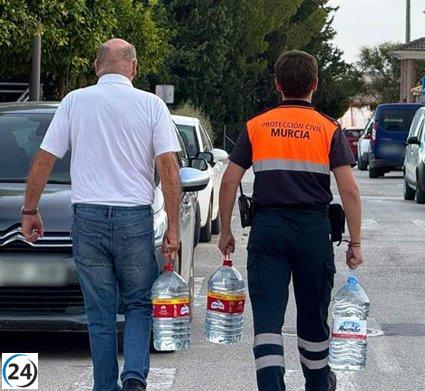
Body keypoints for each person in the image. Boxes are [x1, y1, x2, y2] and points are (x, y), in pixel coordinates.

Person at [21, 38, 183, 391]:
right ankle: (135, 377)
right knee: (139, 303)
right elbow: (168, 166)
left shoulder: (75, 102)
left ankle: (105, 385)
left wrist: (30, 209)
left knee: (100, 312)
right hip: (135, 220)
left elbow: (44, 158)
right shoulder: (152, 105)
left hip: (88, 219)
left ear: (96, 67)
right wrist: (173, 225)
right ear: (134, 68)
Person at [217, 50, 363, 391]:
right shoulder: (329, 129)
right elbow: (350, 191)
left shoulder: (256, 126)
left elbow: (228, 181)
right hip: (313, 232)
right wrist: (355, 243)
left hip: (268, 230)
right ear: (315, 84)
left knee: (267, 323)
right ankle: (318, 384)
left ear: (277, 85)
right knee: (313, 320)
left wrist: (225, 231)